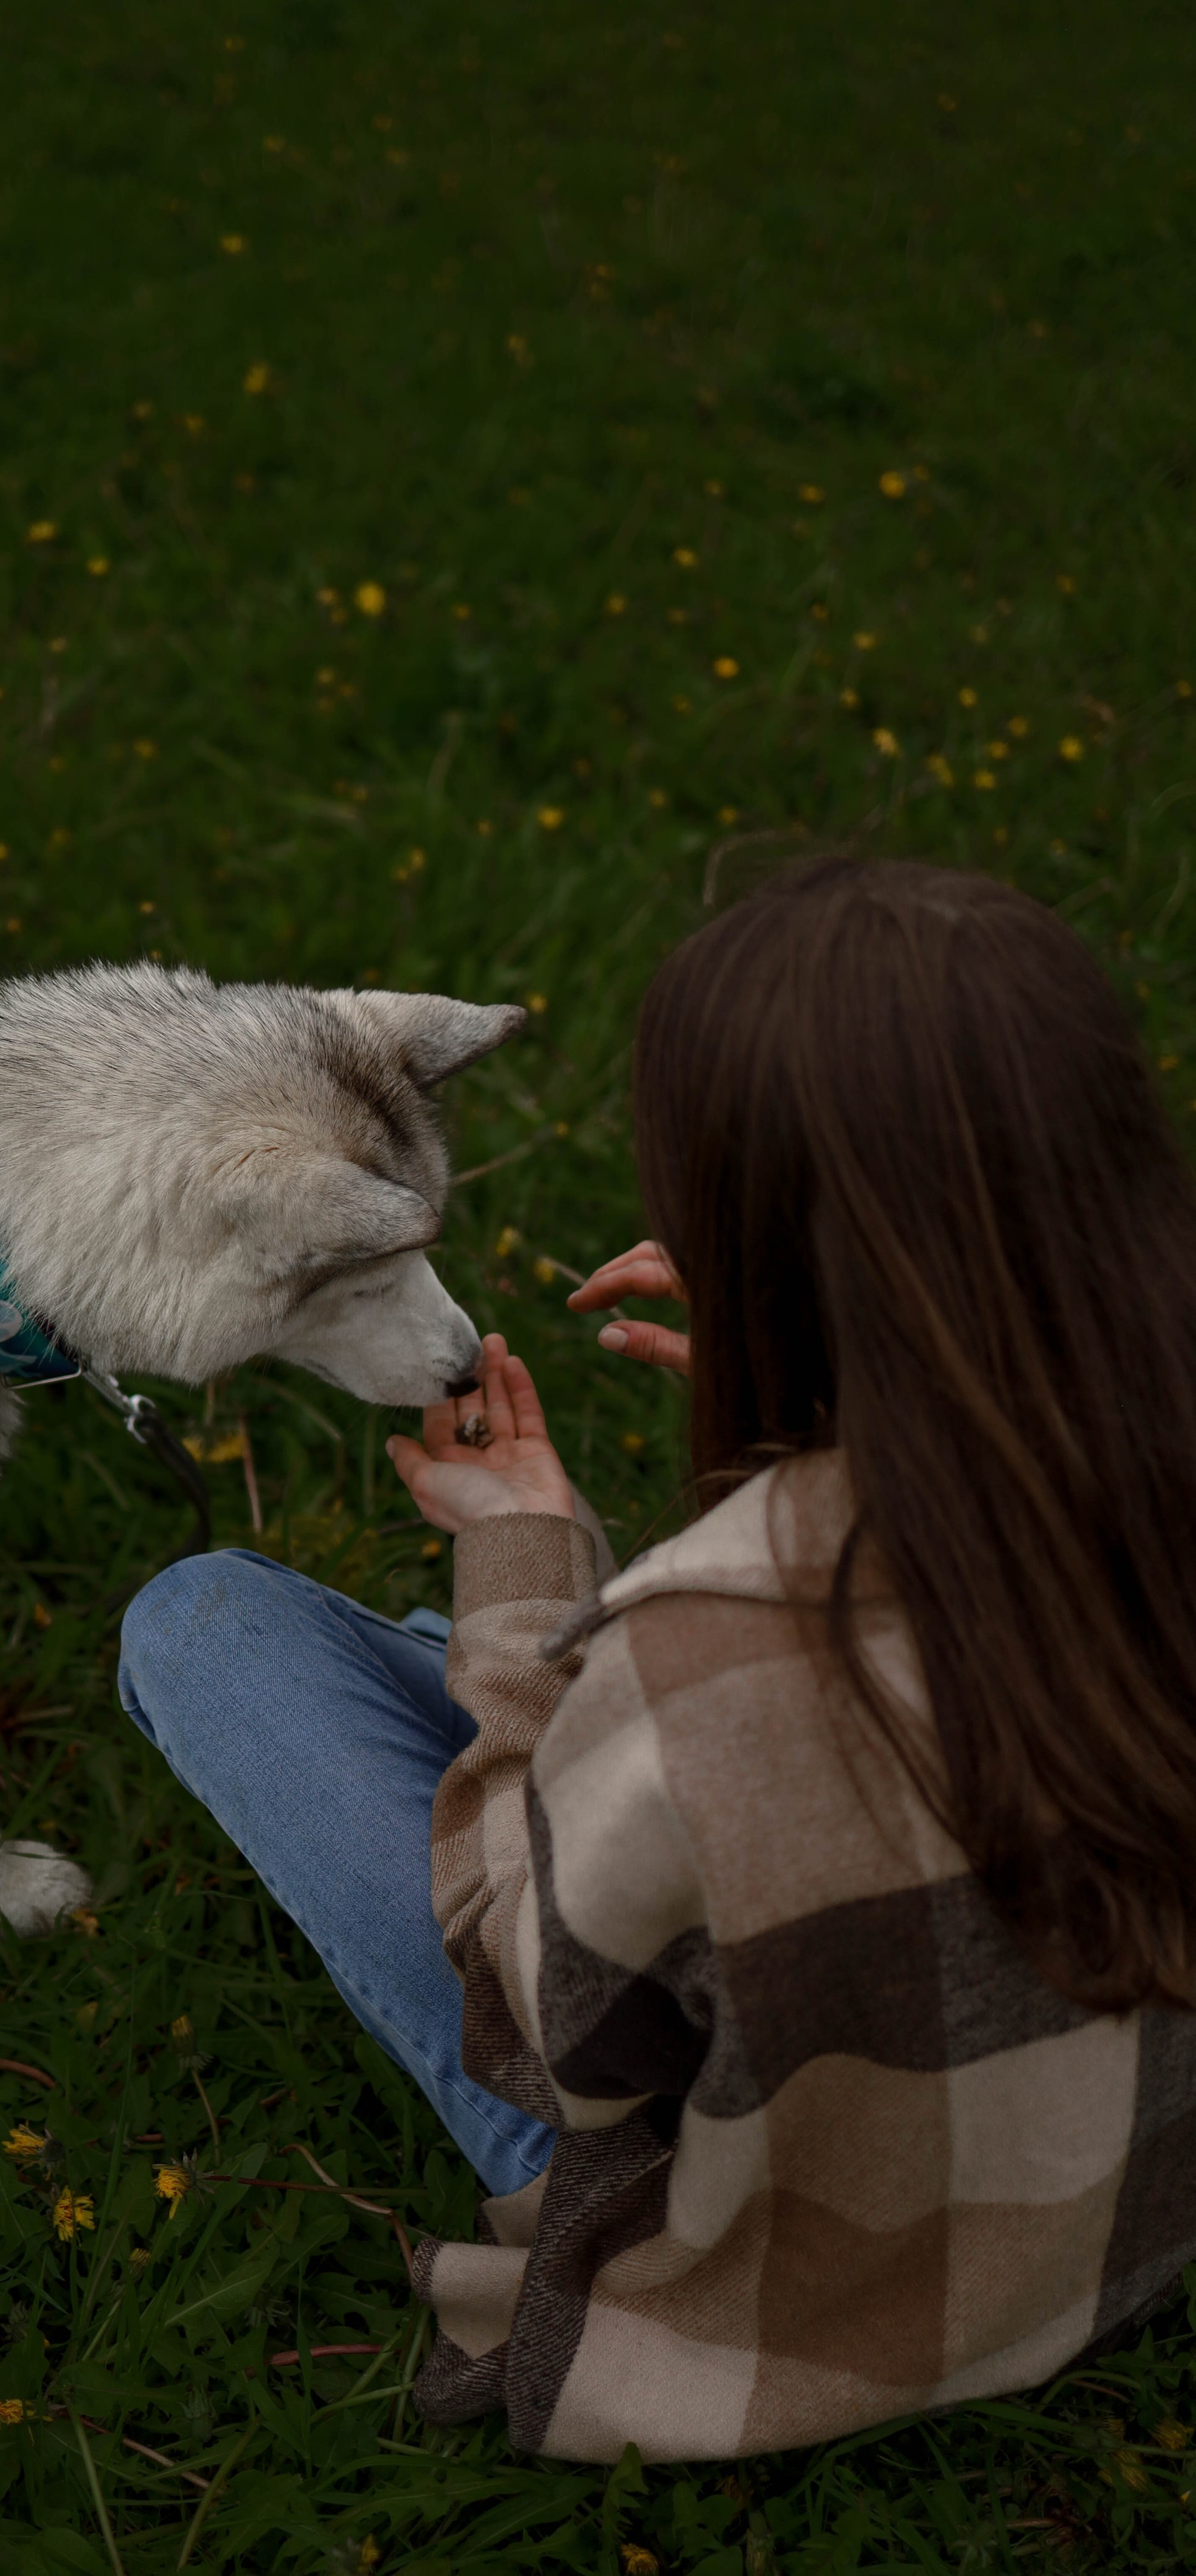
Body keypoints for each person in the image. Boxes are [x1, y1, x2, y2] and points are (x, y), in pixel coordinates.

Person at [118, 856, 1196, 2463]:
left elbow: (544, 2018)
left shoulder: (711, 1642)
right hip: (1133, 2208)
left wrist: (519, 1580)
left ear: (750, 1240)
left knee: (204, 1627)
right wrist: (840, 1401)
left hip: (783, 2287)